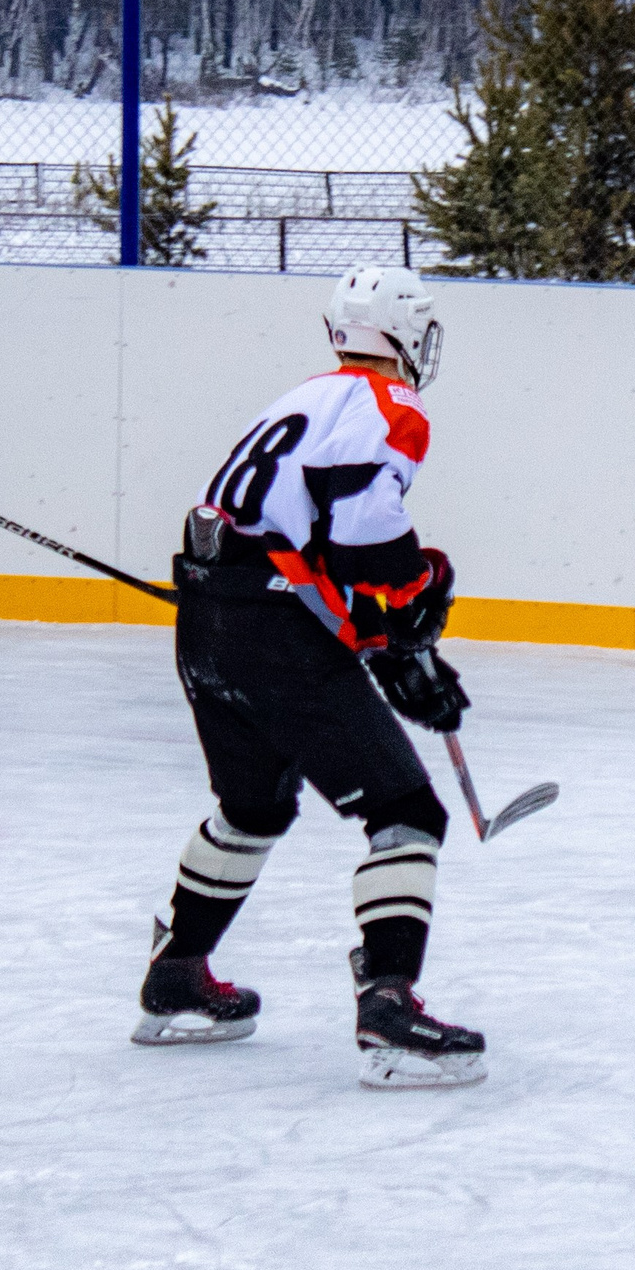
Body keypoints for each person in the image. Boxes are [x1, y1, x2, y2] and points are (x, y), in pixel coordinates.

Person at [135, 264, 486, 1090]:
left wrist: (389, 638)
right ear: (406, 335)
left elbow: (293, 542)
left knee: (253, 806)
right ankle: (390, 1010)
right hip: (271, 636)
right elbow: (366, 536)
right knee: (406, 810)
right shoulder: (392, 406)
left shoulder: (297, 400)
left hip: (208, 624)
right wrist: (408, 618)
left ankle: (175, 978)